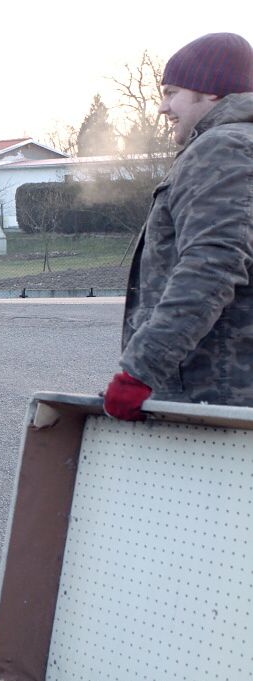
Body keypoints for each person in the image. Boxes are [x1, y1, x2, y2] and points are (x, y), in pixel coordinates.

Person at [104, 32, 253, 420]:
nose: (162, 107)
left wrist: (140, 371)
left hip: (214, 395)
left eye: (172, 93)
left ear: (211, 91)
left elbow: (212, 265)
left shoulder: (223, 148)